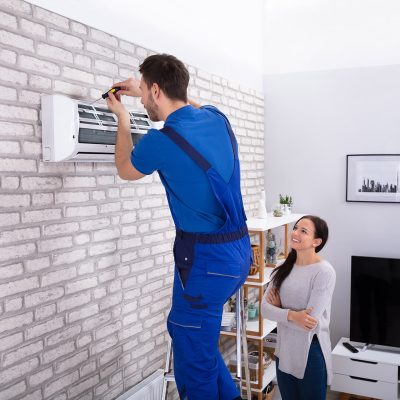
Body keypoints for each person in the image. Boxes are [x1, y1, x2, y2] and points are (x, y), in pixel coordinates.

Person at [106, 54, 251, 400]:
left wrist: (123, 118)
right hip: (238, 254)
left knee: (192, 361)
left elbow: (126, 168)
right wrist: (144, 85)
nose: (141, 100)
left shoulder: (162, 140)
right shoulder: (218, 120)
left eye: (143, 93)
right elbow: (191, 105)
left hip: (205, 262)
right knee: (189, 334)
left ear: (156, 90)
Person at [261, 215, 335, 400]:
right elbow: (264, 310)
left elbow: (308, 324)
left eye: (303, 231)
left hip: (310, 352)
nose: (295, 233)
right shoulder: (282, 267)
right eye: (295, 228)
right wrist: (293, 315)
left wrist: (280, 311)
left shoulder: (324, 272)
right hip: (284, 350)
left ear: (316, 241)